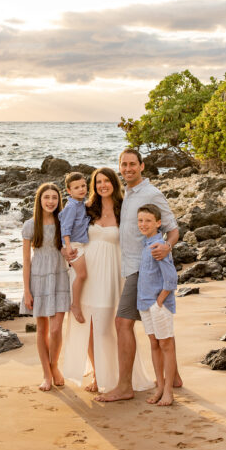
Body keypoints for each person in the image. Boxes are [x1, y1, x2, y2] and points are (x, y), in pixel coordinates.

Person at [95, 148, 180, 403]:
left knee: (123, 323)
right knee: (157, 328)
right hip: (131, 266)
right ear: (119, 167)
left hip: (144, 269)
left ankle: (124, 386)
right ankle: (174, 378)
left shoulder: (152, 193)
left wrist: (168, 246)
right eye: (124, 164)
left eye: (133, 164)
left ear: (142, 166)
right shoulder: (128, 194)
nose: (128, 168)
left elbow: (172, 228)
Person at [61, 167, 152, 393]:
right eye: (98, 182)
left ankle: (118, 377)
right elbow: (66, 227)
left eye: (106, 181)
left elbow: (141, 234)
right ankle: (97, 374)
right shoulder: (88, 208)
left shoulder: (125, 209)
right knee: (89, 325)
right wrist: (65, 249)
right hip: (87, 271)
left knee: (108, 326)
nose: (102, 185)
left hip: (113, 273)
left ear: (114, 183)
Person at [22, 182, 70, 391]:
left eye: (54, 197)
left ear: (59, 201)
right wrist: (26, 290)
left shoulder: (63, 223)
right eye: (46, 197)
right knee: (42, 329)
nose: (50, 201)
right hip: (39, 278)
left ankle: (54, 365)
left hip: (60, 276)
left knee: (57, 328)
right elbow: (26, 261)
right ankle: (46, 374)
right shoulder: (31, 225)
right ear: (39, 200)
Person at [136, 204, 178, 406]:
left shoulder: (158, 246)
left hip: (158, 305)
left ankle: (168, 390)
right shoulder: (146, 244)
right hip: (145, 304)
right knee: (154, 344)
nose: (143, 224)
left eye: (148, 221)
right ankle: (159, 386)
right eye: (140, 220)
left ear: (158, 223)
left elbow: (171, 279)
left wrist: (159, 301)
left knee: (165, 345)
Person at [60, 172, 91, 324]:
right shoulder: (72, 206)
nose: (81, 189)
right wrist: (67, 246)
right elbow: (65, 227)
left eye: (83, 186)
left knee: (83, 274)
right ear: (69, 191)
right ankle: (75, 305)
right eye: (76, 187)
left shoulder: (81, 204)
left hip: (80, 243)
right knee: (82, 275)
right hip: (73, 245)